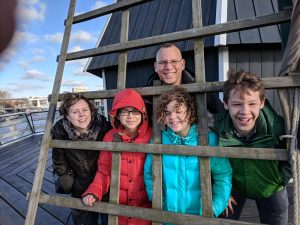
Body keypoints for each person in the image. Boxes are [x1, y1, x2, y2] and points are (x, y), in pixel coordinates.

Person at [212, 70, 292, 225]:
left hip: (270, 186)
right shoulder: (216, 127)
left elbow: (294, 152)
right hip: (234, 187)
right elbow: (209, 161)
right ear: (226, 104)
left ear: (262, 103)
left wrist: (280, 180)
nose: (245, 112)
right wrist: (221, 190)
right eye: (236, 104)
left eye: (252, 103)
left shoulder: (279, 127)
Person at [143, 87, 232, 224]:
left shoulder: (208, 140)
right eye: (167, 113)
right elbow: (149, 172)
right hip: (167, 217)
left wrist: (214, 208)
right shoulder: (158, 140)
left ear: (190, 113)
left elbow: (223, 175)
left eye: (178, 111)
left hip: (199, 218)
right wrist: (156, 200)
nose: (172, 117)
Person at [82, 89, 152, 225]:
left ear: (143, 114)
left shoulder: (153, 136)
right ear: (117, 115)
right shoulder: (110, 137)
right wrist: (94, 191)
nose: (130, 116)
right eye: (125, 111)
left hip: (147, 210)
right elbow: (104, 170)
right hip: (118, 210)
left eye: (135, 111)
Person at [51, 92, 111, 225]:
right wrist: (69, 180)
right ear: (67, 115)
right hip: (80, 186)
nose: (82, 115)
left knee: (109, 220)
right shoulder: (60, 132)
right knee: (85, 222)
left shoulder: (104, 128)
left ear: (91, 111)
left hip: (106, 185)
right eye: (75, 112)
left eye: (85, 110)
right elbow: (59, 161)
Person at [145, 43, 224, 115]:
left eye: (174, 61)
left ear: (182, 64)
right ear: (155, 67)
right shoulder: (146, 97)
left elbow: (223, 115)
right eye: (162, 62)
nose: (168, 67)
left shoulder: (201, 90)